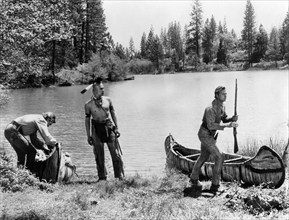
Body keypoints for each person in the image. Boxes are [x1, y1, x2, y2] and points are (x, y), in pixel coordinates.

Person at [189, 86, 238, 193]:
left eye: (226, 94)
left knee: (203, 156)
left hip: (210, 135)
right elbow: (211, 126)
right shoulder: (210, 109)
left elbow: (223, 118)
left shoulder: (222, 106)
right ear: (216, 95)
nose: (225, 96)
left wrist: (231, 119)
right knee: (219, 157)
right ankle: (215, 185)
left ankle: (193, 178)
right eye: (223, 94)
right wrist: (229, 125)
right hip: (205, 134)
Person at [84, 77, 124, 181]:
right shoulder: (88, 104)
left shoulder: (108, 100)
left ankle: (118, 176)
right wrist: (88, 135)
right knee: (99, 155)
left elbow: (113, 114)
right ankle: (102, 177)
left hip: (108, 126)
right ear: (95, 90)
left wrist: (117, 128)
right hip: (96, 128)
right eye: (101, 88)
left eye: (103, 88)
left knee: (115, 153)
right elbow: (87, 120)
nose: (103, 90)